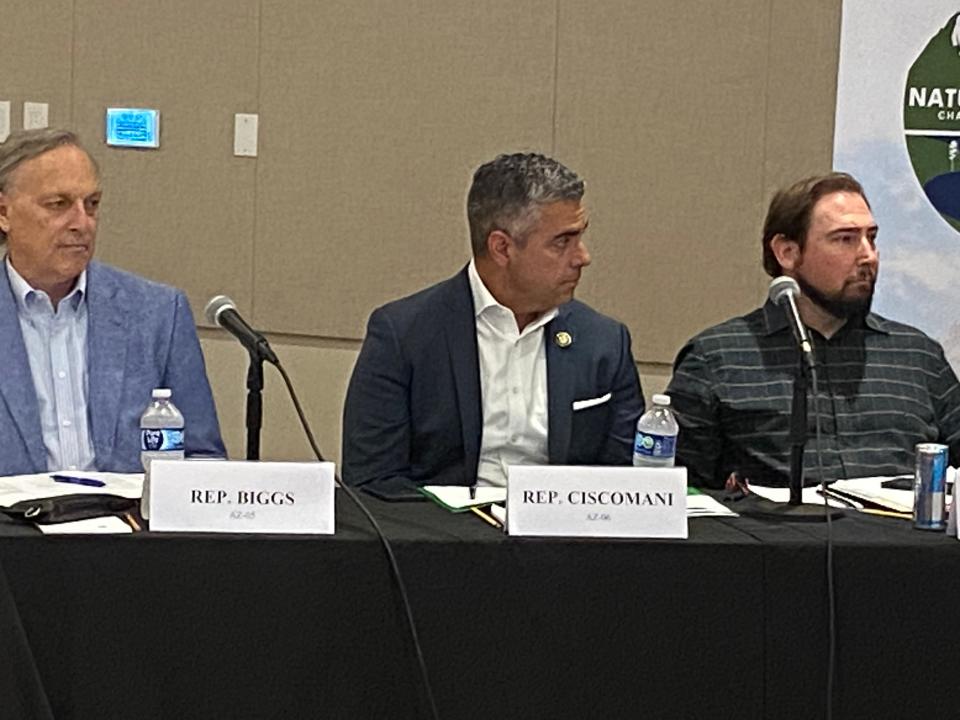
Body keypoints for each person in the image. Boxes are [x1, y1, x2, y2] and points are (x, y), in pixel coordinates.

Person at [342, 152, 644, 498]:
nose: (583, 257)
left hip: (565, 543)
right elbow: (373, 483)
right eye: (563, 241)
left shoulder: (605, 342)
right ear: (502, 248)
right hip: (444, 542)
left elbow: (627, 484)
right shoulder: (403, 335)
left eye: (580, 237)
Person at [667, 172, 960, 488]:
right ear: (787, 252)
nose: (868, 256)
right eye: (845, 239)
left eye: (871, 238)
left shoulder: (917, 355)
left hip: (904, 534)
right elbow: (677, 495)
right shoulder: (716, 358)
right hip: (776, 534)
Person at [0, 128, 224, 475]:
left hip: (127, 524)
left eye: (91, 204)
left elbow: (202, 461)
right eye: (58, 205)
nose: (82, 223)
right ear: (4, 212)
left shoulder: (157, 315)